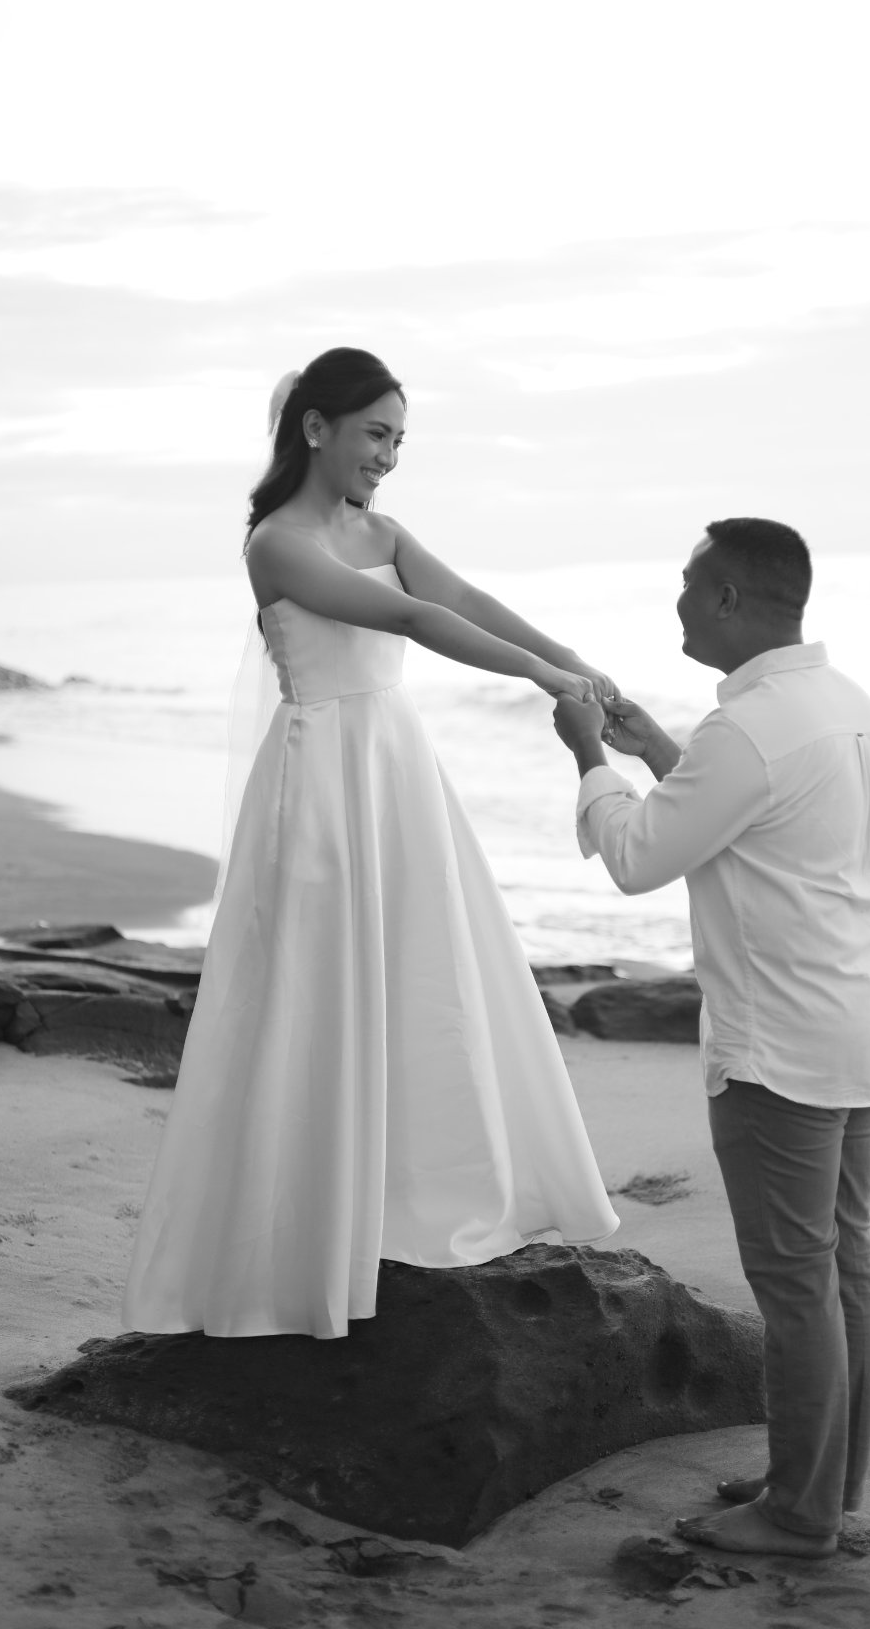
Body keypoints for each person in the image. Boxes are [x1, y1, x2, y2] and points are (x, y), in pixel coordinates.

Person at [123, 348, 620, 1340]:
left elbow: (464, 600)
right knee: (318, 995)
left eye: (399, 439)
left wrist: (573, 660)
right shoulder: (277, 544)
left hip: (396, 770)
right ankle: (304, 1240)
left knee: (425, 977)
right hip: (321, 781)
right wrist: (539, 678)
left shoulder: (381, 530)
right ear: (316, 428)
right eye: (375, 434)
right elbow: (408, 615)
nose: (389, 456)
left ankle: (416, 1200)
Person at [551, 517, 870, 1559]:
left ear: (726, 599)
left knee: (798, 1282)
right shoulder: (844, 704)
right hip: (859, 1023)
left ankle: (799, 1514)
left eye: (687, 581)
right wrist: (657, 750)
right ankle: (827, 1482)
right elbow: (750, 819)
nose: (675, 599)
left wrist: (588, 757)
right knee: (843, 1267)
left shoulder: (749, 729)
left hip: (782, 1047)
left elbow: (637, 856)